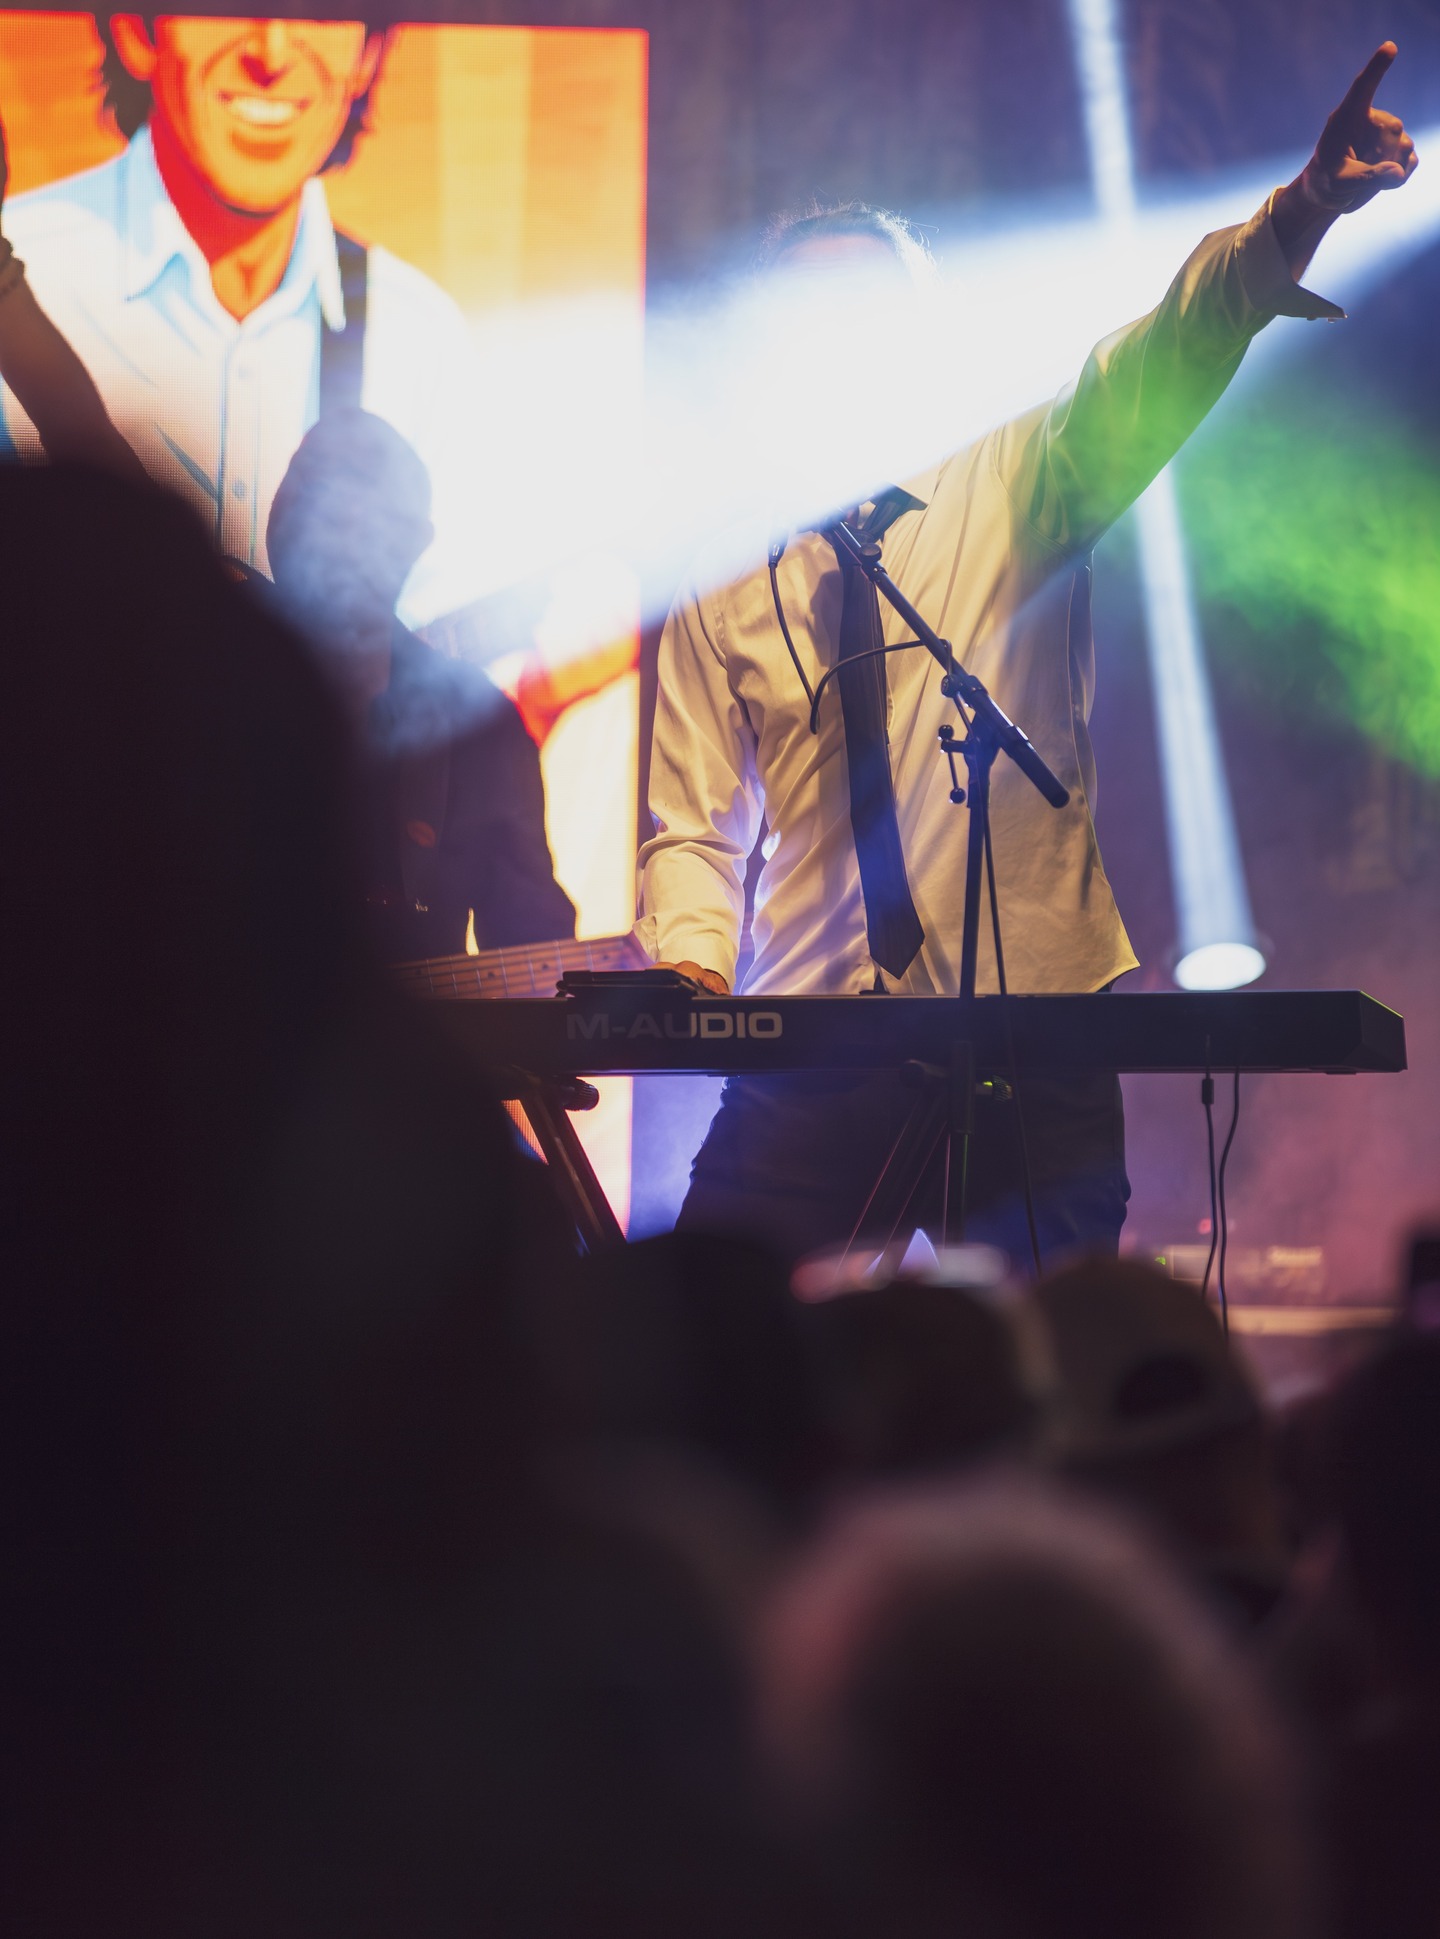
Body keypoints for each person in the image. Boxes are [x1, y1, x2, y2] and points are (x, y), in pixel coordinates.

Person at [637, 44, 1418, 1266]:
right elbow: (690, 823)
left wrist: (1301, 213)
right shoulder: (720, 562)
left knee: (1059, 1368)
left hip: (1033, 1021)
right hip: (809, 1041)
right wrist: (692, 979)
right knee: (711, 1356)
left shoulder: (1025, 475)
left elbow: (1168, 348)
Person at [0, 14, 486, 626]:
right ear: (135, 31)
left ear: (370, 50)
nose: (272, 51)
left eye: (320, 6)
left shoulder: (418, 336)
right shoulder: (22, 272)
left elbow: (447, 666)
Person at [265, 407, 577, 962]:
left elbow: (535, 952)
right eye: (303, 478)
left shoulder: (479, 727)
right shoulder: (199, 672)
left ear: (412, 539)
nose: (314, 507)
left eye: (349, 486)